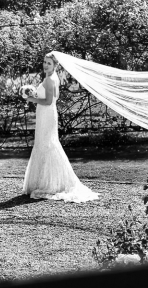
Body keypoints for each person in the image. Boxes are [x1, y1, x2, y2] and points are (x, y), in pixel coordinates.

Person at [22, 53, 99, 202]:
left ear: (55, 65)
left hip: (47, 114)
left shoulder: (50, 80)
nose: (45, 65)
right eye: (44, 62)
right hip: (45, 114)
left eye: (49, 63)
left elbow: (48, 101)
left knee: (48, 145)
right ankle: (44, 181)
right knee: (44, 144)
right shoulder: (49, 78)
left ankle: (52, 184)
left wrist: (31, 98)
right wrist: (33, 92)